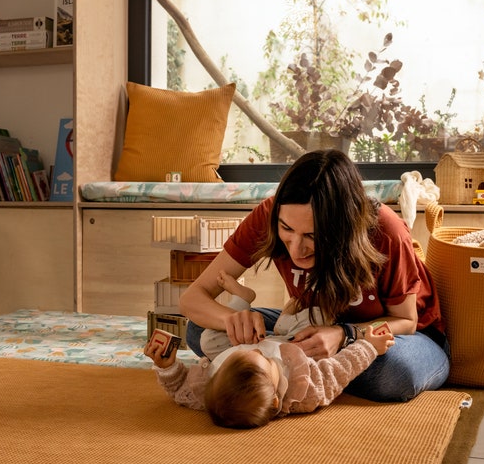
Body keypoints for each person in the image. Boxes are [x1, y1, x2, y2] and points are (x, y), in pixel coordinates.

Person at [179, 149, 450, 403]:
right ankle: (307, 369)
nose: (296, 248)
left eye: (312, 236)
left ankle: (294, 369)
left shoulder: (386, 231)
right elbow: (193, 298)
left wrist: (344, 335)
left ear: (344, 226)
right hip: (308, 326)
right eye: (287, 229)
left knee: (395, 375)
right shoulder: (268, 214)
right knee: (198, 330)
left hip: (398, 336)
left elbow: (405, 321)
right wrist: (231, 320)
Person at [145, 271, 394, 429]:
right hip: (294, 342)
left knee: (206, 338)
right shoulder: (306, 391)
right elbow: (340, 369)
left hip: (261, 335)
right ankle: (293, 315)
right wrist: (368, 346)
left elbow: (181, 390)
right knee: (314, 319)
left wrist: (167, 367)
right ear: (276, 399)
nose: (257, 349)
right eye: (262, 358)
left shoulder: (212, 394)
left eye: (245, 352)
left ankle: (242, 298)